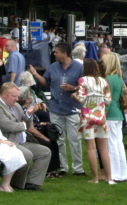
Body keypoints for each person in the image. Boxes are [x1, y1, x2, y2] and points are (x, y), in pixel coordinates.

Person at [27, 43, 84, 176]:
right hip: (55, 108)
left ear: (64, 53)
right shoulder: (53, 67)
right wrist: (35, 74)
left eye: (56, 52)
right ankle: (62, 167)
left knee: (74, 139)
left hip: (72, 108)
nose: (54, 54)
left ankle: (78, 168)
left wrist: (73, 88)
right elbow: (45, 82)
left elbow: (84, 86)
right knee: (58, 139)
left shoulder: (79, 67)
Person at [0, 82, 51, 191]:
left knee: (44, 152)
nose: (17, 99)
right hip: (7, 143)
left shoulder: (16, 106)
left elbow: (27, 125)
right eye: (14, 96)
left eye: (17, 96)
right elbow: (10, 126)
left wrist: (28, 114)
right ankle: (17, 183)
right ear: (4, 95)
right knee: (27, 154)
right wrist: (23, 123)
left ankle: (32, 183)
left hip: (21, 141)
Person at [76, 58, 114, 184]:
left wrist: (73, 95)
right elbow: (108, 100)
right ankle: (109, 178)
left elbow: (81, 98)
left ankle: (95, 178)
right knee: (103, 149)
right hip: (101, 117)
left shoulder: (83, 80)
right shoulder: (104, 81)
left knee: (91, 148)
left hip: (87, 117)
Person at [102, 50, 127, 182]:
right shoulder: (118, 78)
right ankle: (122, 173)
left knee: (111, 145)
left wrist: (103, 116)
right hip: (118, 114)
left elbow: (107, 100)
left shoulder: (108, 79)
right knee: (118, 144)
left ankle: (114, 174)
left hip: (111, 114)